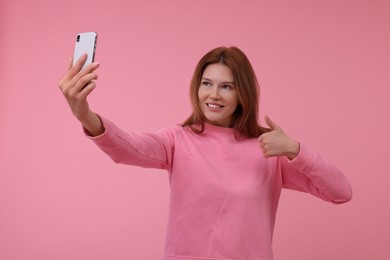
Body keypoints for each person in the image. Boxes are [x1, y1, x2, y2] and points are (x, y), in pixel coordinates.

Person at [59, 46, 352, 260]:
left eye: (226, 87)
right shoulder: (178, 140)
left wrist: (294, 149)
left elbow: (340, 192)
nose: (213, 95)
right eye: (207, 84)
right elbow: (126, 148)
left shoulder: (270, 148)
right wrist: (85, 114)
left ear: (243, 95)